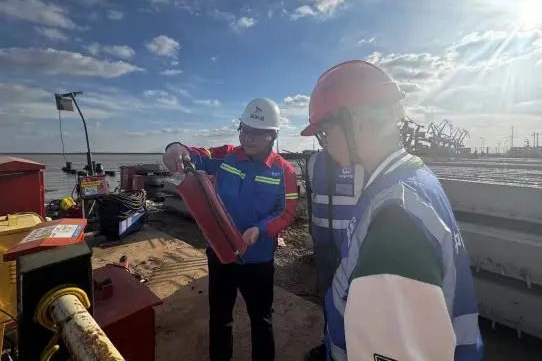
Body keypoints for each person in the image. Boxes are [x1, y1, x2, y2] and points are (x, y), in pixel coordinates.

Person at [300, 60, 483, 360]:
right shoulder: (410, 180)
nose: (324, 143)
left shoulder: (396, 221)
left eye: (325, 131)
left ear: (356, 122)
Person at [163, 98, 298, 361]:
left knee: (261, 319)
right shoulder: (226, 156)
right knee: (220, 317)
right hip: (221, 254)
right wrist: (176, 147)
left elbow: (286, 211)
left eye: (256, 132)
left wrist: (260, 229)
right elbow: (195, 154)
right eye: (244, 129)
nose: (247, 137)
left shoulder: (284, 171)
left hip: (258, 260)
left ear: (272, 135)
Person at [304, 151, 364, 361]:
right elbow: (311, 200)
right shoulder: (314, 161)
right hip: (323, 246)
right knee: (329, 299)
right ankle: (328, 343)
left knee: (356, 302)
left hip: (353, 248)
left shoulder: (362, 159)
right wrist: (312, 233)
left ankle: (355, 350)